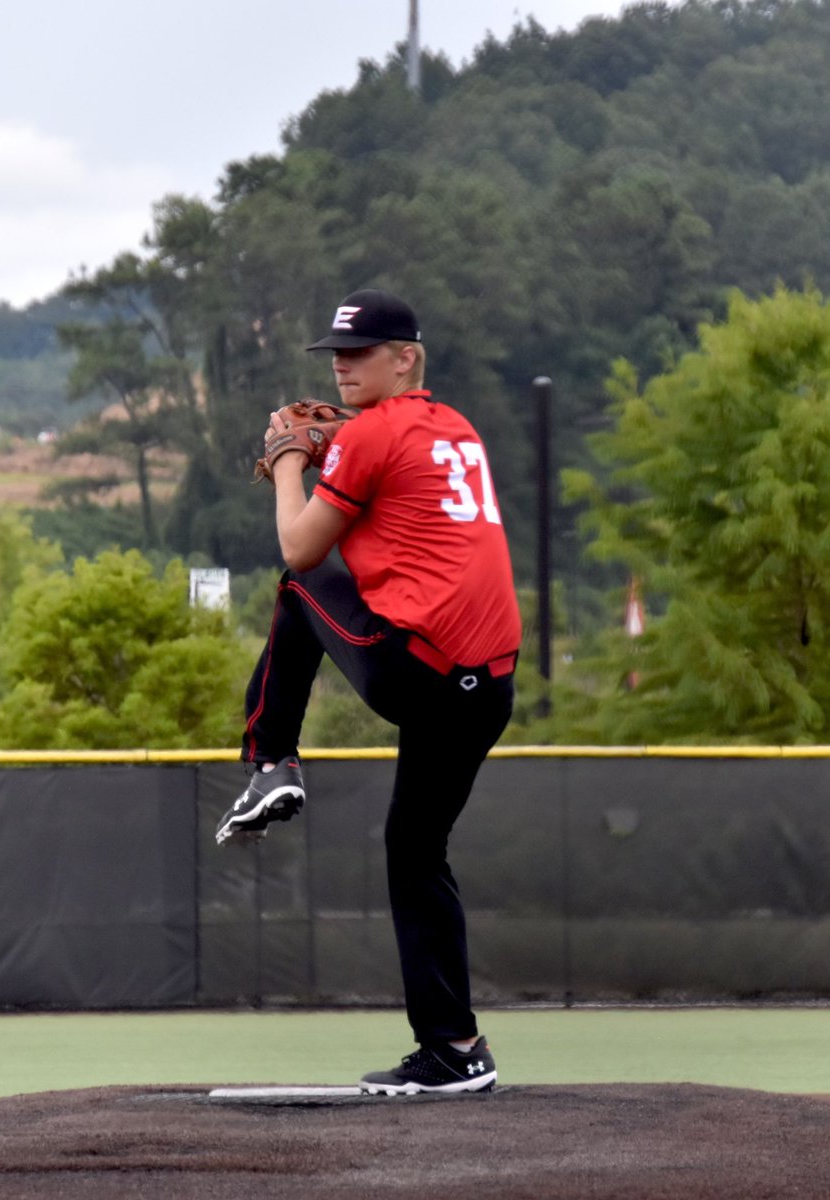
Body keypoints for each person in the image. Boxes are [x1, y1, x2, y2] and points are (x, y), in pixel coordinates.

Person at [216, 288, 521, 1095]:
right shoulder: (454, 427)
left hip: (415, 670)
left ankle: (272, 761)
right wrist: (338, 447)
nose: (344, 366)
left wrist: (289, 461)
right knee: (417, 854)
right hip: (487, 687)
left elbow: (303, 543)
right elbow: (401, 483)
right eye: (337, 355)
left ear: (406, 356)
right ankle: (456, 1050)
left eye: (361, 352)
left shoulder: (373, 436)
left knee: (295, 584)